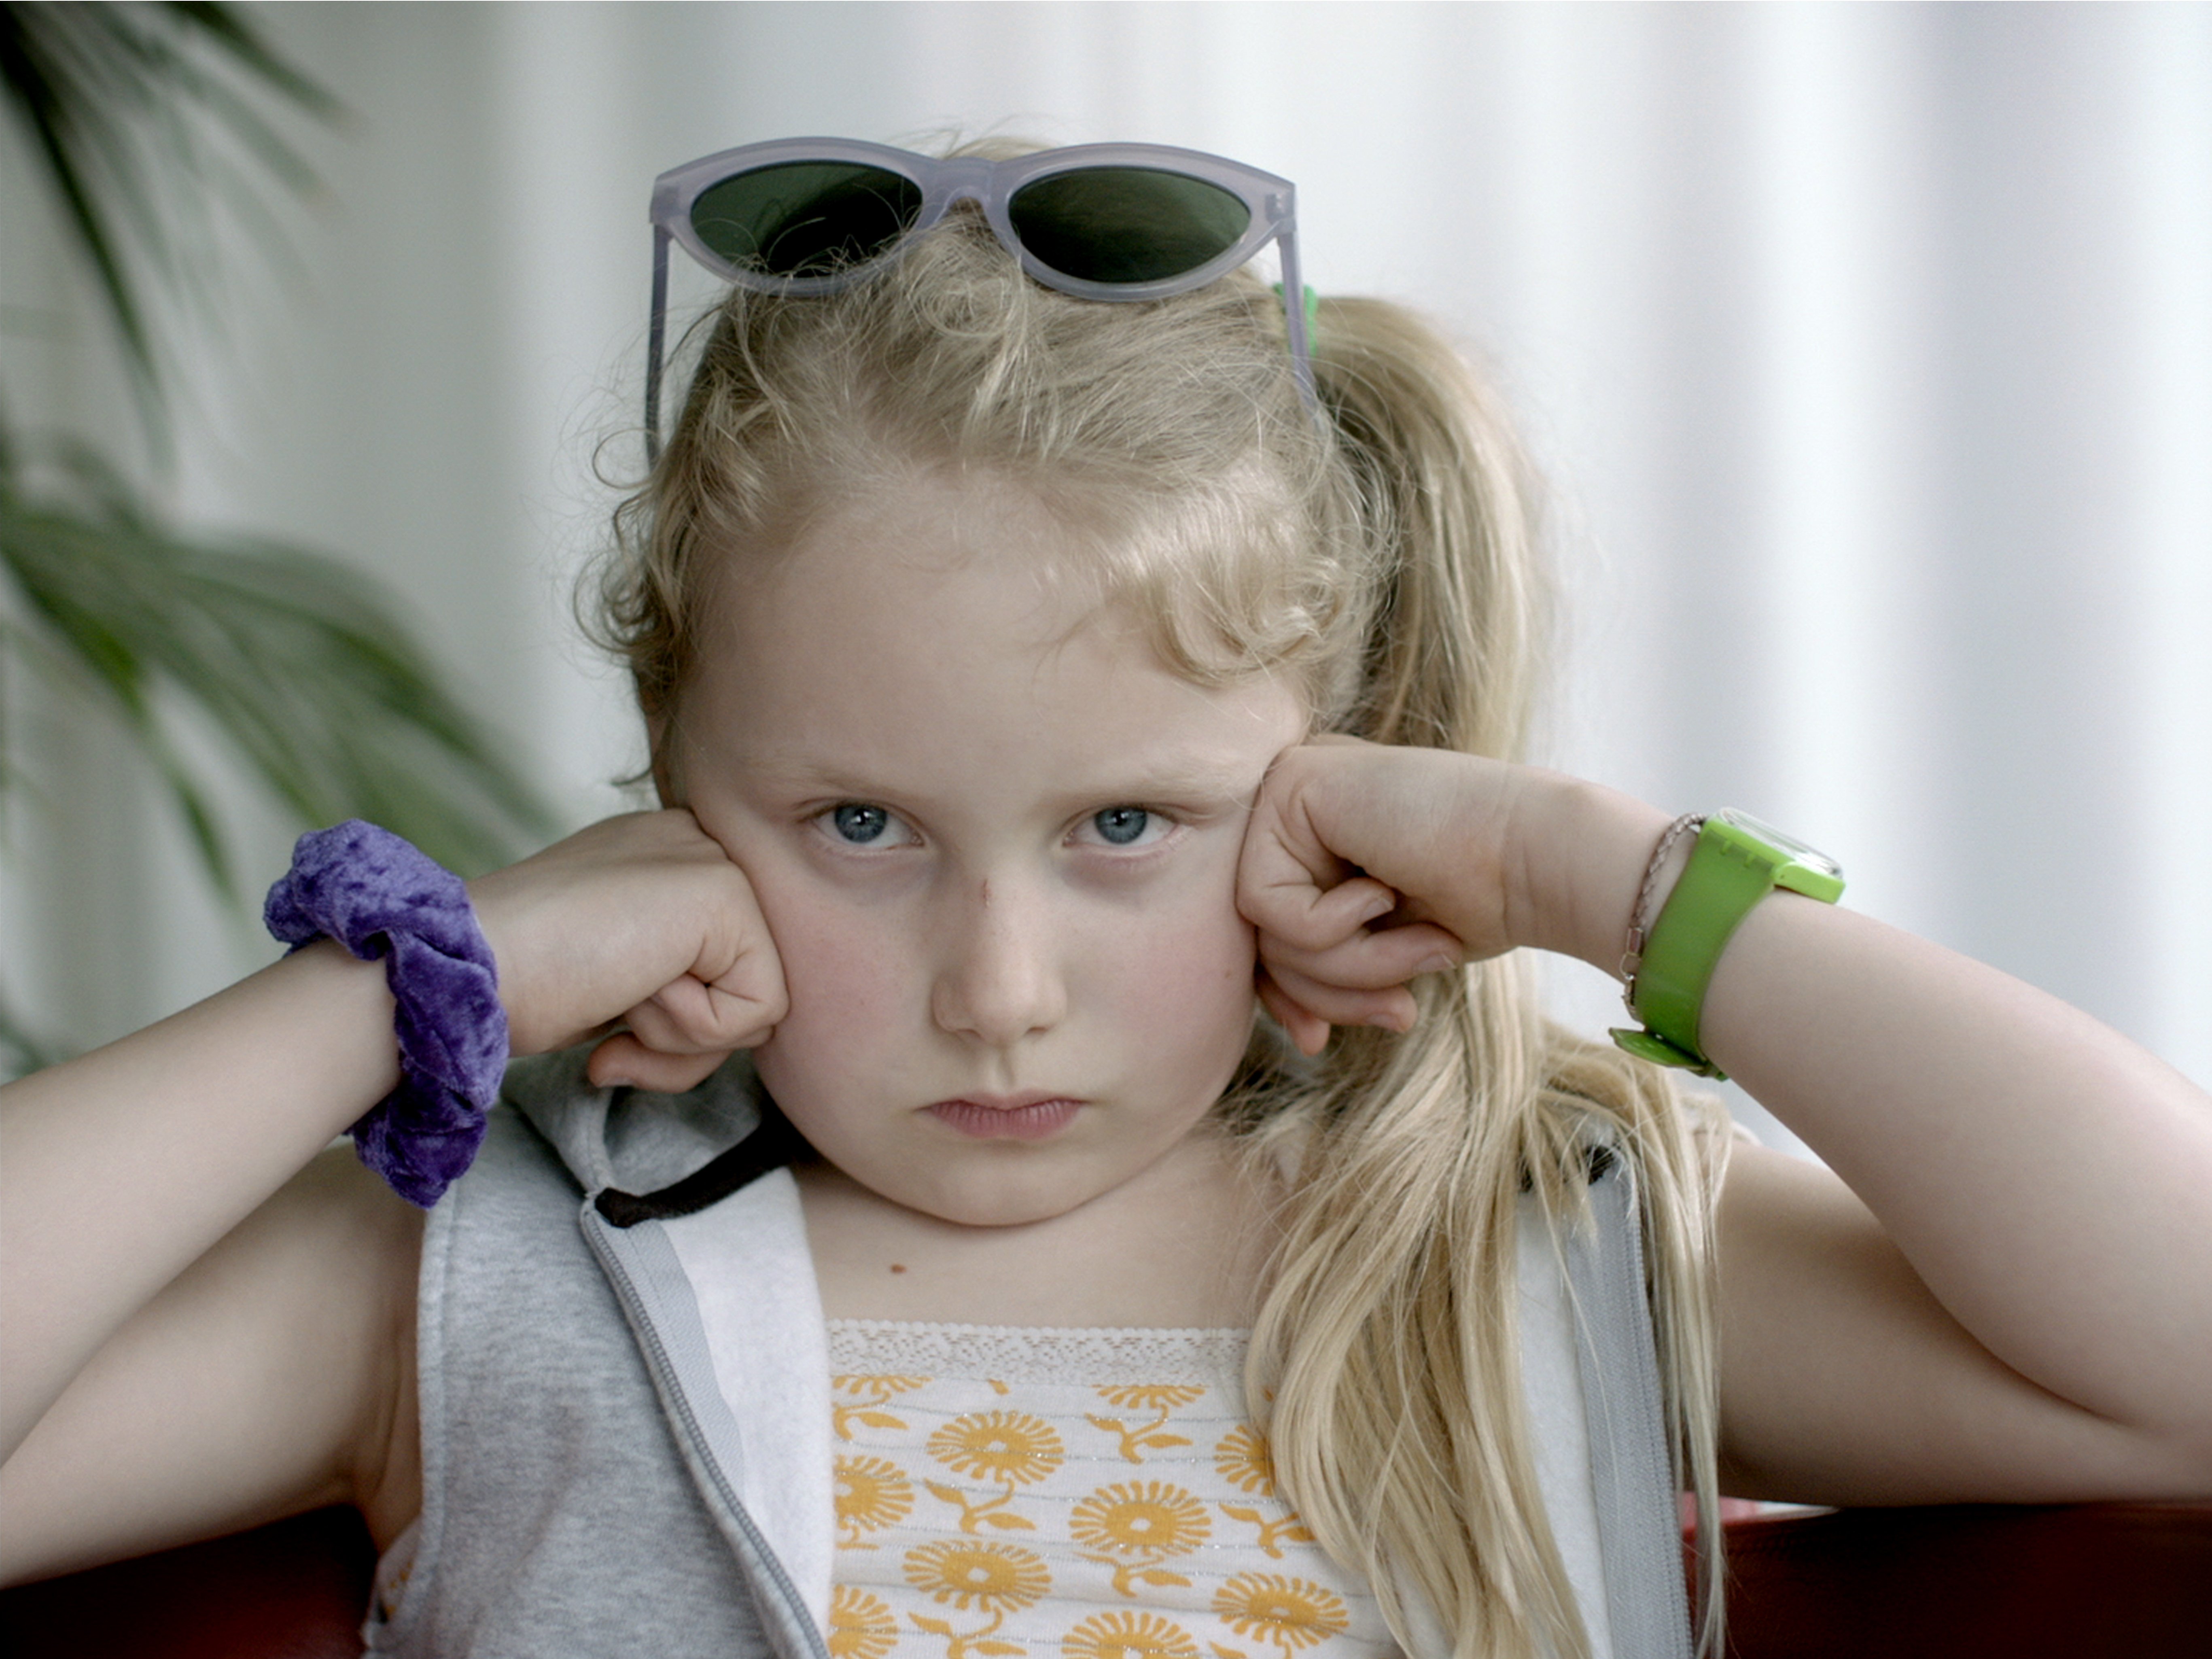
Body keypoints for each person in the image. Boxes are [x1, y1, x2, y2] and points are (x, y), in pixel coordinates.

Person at [2, 138, 2208, 1659]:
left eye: (1127, 827)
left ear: (1338, 786)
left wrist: (1594, 875)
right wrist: (420, 981)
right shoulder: (485, 1270)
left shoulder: (1518, 1234)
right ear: (672, 789)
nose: (998, 989)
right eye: (860, 825)